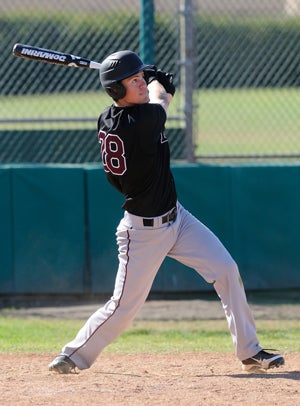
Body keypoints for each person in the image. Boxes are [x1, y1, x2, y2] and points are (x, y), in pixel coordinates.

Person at [49, 50, 284, 374]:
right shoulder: (141, 121)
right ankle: (71, 356)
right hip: (142, 232)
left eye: (141, 77)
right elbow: (160, 101)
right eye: (134, 81)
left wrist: (146, 77)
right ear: (117, 91)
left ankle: (249, 351)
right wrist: (162, 84)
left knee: (226, 269)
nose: (143, 83)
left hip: (177, 218)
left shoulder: (110, 116)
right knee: (124, 307)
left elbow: (149, 98)